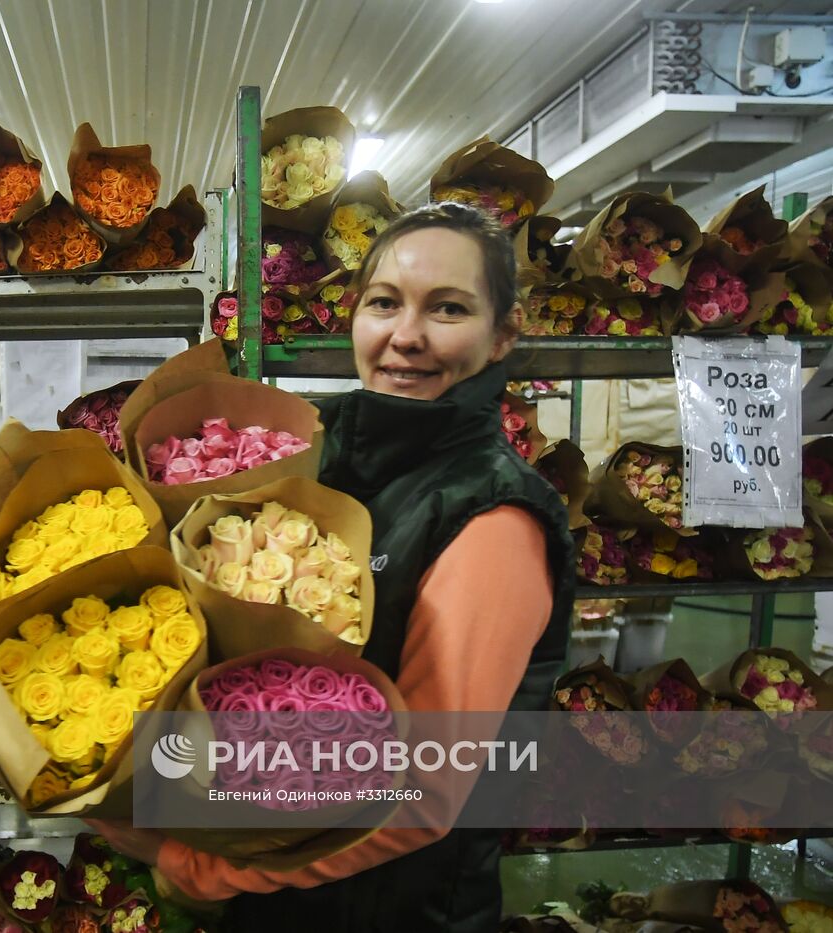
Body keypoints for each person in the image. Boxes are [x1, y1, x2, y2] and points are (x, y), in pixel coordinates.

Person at [90, 203, 576, 930]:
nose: (405, 336)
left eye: (447, 309)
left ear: (503, 334)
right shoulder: (327, 456)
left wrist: (195, 865)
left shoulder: (495, 520)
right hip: (278, 889)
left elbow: (419, 794)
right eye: (384, 303)